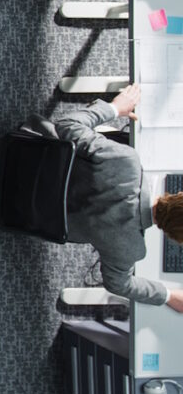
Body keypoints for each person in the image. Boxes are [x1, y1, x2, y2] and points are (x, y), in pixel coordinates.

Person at [52, 84, 183, 312]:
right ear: (175, 238)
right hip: (25, 215)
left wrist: (114, 108)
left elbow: (65, 125)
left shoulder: (127, 162)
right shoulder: (130, 248)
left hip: (27, 158)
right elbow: (118, 285)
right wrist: (168, 295)